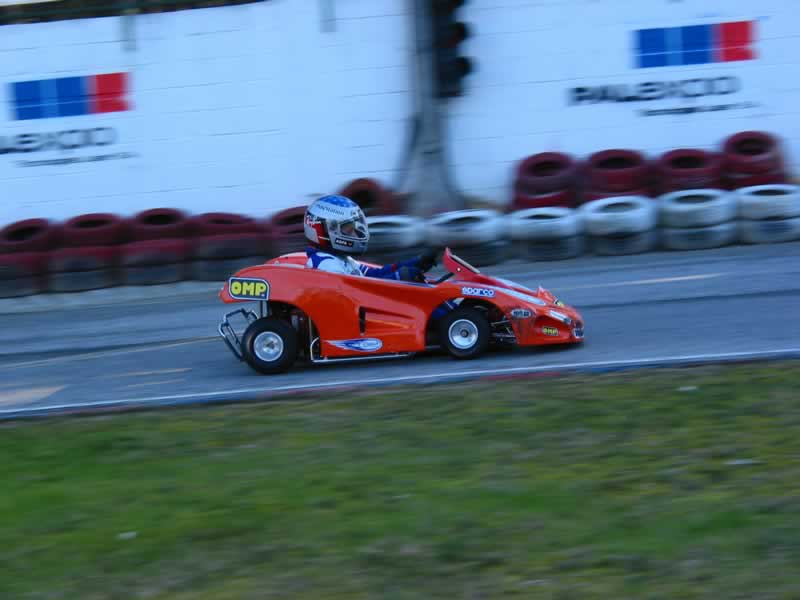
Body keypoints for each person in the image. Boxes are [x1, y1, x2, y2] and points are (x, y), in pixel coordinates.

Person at [303, 194, 438, 281]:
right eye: (348, 229)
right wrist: (400, 277)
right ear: (326, 230)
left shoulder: (341, 258)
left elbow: (374, 275)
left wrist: (416, 262)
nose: (355, 234)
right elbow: (358, 294)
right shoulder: (326, 265)